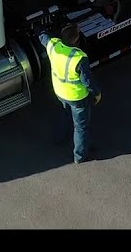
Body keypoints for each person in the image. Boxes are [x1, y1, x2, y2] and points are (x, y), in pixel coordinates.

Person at [39, 23, 101, 163]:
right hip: (77, 97)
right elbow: (88, 82)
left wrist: (38, 28)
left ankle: (59, 138)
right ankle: (80, 156)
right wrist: (97, 94)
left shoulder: (54, 46)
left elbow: (43, 37)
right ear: (76, 39)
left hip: (60, 92)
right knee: (80, 127)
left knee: (65, 112)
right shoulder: (79, 57)